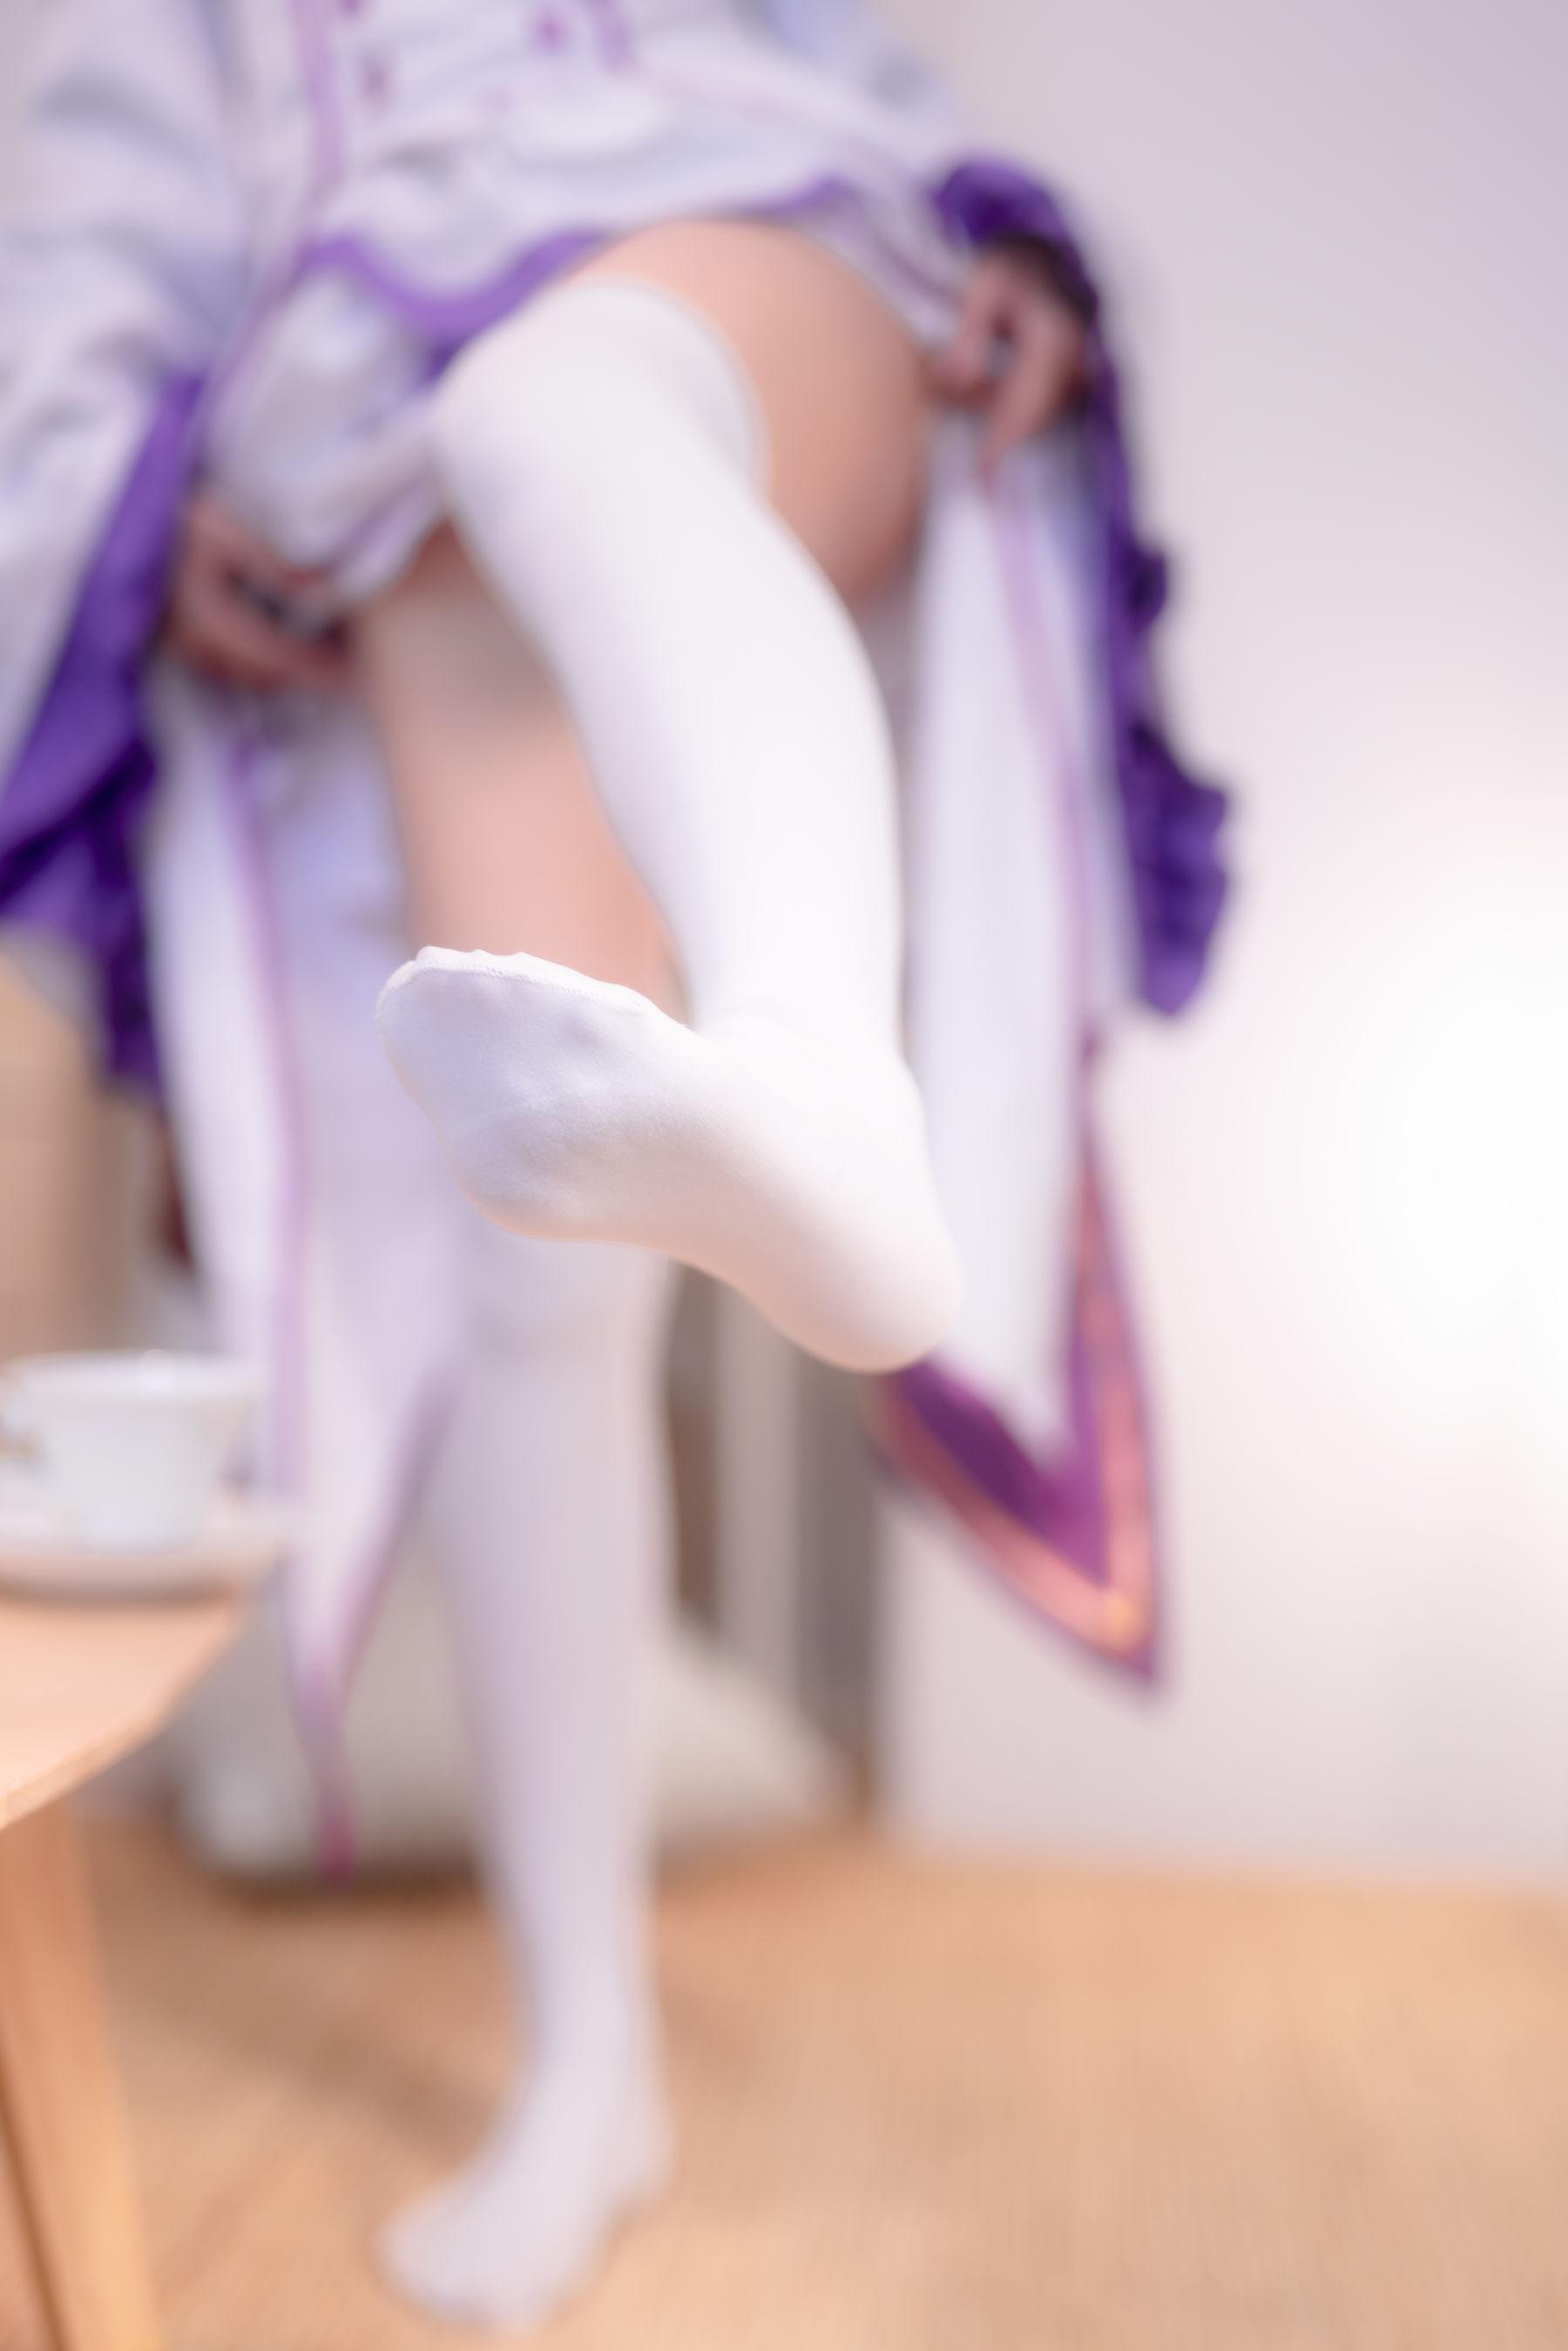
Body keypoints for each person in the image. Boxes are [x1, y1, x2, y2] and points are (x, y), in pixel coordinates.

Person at [0, 0, 1228, 2327]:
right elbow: (102, 215)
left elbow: (836, 47)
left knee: (560, 403)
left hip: (741, 234)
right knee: (536, 1264)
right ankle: (591, 2072)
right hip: (374, 388)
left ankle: (818, 1071)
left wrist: (1009, 244)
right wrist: (122, 514)